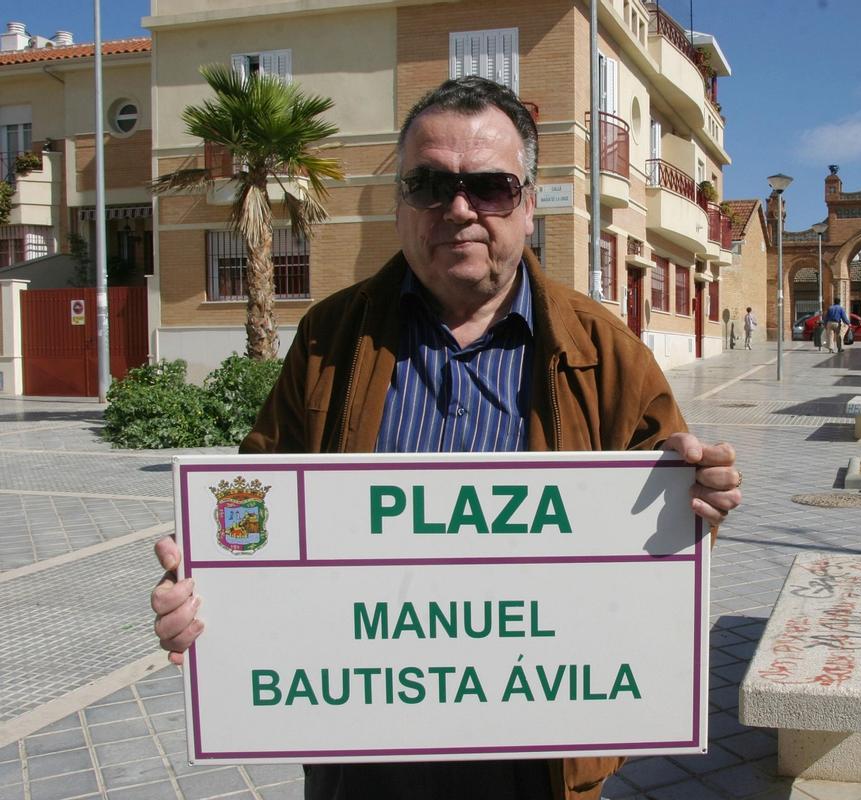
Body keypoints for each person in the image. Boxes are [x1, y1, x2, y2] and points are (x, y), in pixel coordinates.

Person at [151, 76, 741, 800]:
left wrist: (698, 498)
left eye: (490, 187)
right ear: (402, 204)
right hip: (369, 760)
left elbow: (655, 550)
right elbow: (255, 517)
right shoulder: (328, 340)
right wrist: (206, 589)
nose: (458, 209)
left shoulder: (604, 350)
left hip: (541, 761)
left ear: (527, 206)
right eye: (429, 184)